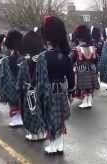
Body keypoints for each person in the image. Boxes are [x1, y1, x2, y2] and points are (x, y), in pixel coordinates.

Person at [38, 16, 75, 154]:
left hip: (49, 92)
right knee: (59, 119)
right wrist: (71, 92)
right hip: (62, 92)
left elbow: (40, 79)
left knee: (50, 119)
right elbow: (71, 77)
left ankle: (53, 146)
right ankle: (60, 145)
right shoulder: (65, 56)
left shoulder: (42, 57)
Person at [16, 31, 47, 141]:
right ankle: (42, 132)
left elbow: (19, 84)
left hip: (30, 94)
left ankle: (34, 134)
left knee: (31, 113)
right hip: (44, 92)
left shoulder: (24, 63)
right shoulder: (45, 59)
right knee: (43, 112)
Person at [0, 30, 24, 127]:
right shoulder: (25, 58)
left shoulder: (5, 61)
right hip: (23, 91)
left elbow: (2, 79)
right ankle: (22, 116)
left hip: (11, 91)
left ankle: (15, 118)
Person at [72, 25, 99, 109]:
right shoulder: (92, 48)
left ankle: (85, 102)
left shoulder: (77, 49)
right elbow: (96, 60)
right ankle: (89, 102)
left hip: (82, 70)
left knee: (84, 88)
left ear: (79, 38)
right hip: (92, 69)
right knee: (90, 87)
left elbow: (72, 60)